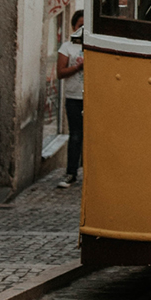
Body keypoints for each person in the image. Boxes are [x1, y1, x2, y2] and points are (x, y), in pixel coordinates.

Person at [56, 10, 85, 189]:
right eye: (80, 26)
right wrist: (78, 68)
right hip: (73, 97)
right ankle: (71, 173)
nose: (82, 29)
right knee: (75, 136)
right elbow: (60, 72)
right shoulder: (66, 47)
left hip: (91, 97)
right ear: (74, 27)